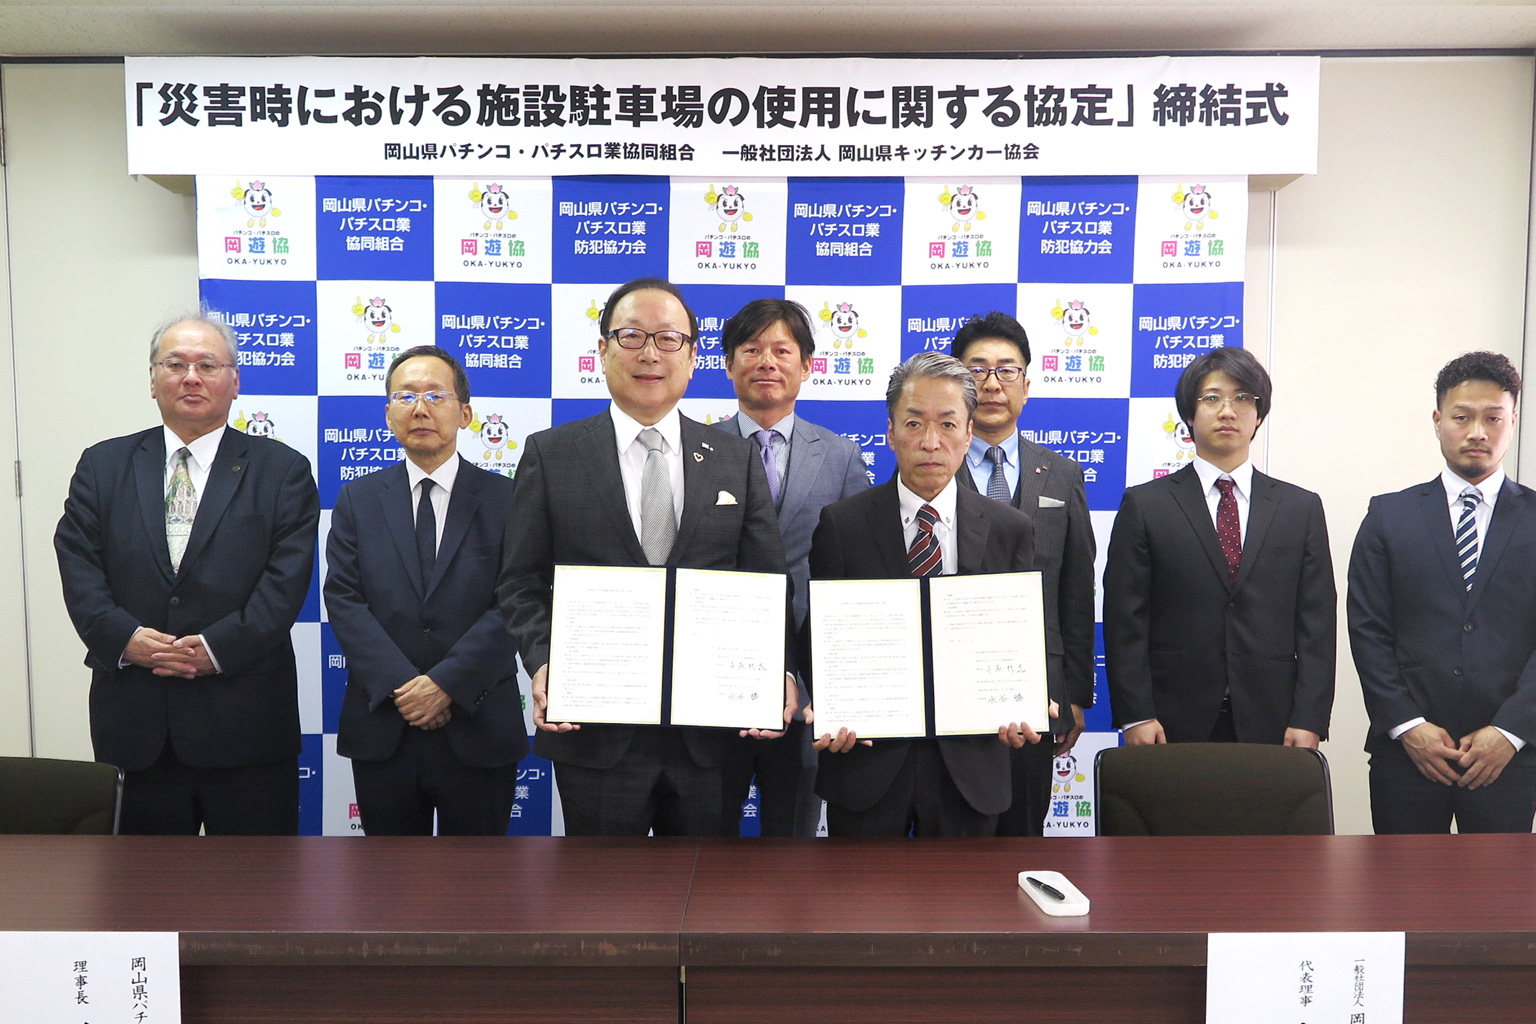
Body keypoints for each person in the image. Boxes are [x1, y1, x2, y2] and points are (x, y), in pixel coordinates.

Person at [497, 278, 793, 836]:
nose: (651, 354)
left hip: (711, 734)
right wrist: (543, 662)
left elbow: (769, 583)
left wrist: (778, 670)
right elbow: (520, 582)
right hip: (596, 731)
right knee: (602, 888)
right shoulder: (552, 454)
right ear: (602, 350)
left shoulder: (735, 458)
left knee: (707, 884)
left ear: (693, 357)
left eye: (668, 338)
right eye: (631, 336)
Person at [54, 314, 320, 834]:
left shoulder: (282, 470)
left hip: (247, 724)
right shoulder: (103, 465)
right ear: (153, 380)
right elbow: (78, 564)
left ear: (235, 380)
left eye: (208, 365)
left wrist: (216, 649)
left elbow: (285, 584)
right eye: (175, 365)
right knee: (142, 883)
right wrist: (125, 638)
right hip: (136, 725)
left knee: (254, 882)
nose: (191, 377)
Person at [807, 352, 1042, 837]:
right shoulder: (843, 525)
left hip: (970, 764)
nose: (931, 442)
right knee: (860, 888)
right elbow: (819, 637)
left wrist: (1027, 700)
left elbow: (1022, 639)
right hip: (866, 759)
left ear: (969, 433)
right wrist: (828, 705)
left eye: (947, 424)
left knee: (960, 889)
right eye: (914, 423)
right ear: (890, 433)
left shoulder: (1009, 529)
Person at [324, 345, 526, 835]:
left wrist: (445, 685)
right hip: (385, 723)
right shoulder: (358, 498)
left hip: (478, 722)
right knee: (389, 878)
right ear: (388, 413)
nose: (420, 409)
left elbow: (516, 600)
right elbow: (344, 600)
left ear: (466, 413)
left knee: (477, 878)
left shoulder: (508, 498)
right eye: (405, 396)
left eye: (436, 395)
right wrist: (405, 686)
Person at [1103, 346, 1335, 747]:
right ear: (1190, 415)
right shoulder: (1145, 505)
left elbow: (1317, 623)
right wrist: (1136, 713)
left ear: (1258, 415)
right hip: (1170, 720)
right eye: (1212, 398)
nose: (1227, 411)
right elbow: (1126, 619)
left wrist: (1309, 718)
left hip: (1275, 720)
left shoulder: (1300, 508)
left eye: (1242, 398)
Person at [1348, 351, 1536, 834]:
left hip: (1509, 756)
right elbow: (1368, 630)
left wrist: (1511, 731)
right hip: (1407, 755)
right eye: (1462, 417)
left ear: (1513, 421)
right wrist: (1407, 725)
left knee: (1497, 885)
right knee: (1401, 881)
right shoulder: (1388, 516)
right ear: (1437, 421)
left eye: (1493, 418)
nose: (1478, 432)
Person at [715, 297, 868, 837]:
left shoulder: (842, 456)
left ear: (807, 366)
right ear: (728, 364)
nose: (766, 362)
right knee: (705, 842)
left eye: (782, 351)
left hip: (808, 681)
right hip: (717, 674)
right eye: (751, 349)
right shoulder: (694, 450)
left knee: (795, 841)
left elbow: (857, 576)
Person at [949, 311, 1095, 836]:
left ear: (1026, 385)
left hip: (1040, 692)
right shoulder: (932, 467)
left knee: (1023, 835)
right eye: (977, 370)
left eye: (1007, 370)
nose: (992, 384)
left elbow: (1076, 590)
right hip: (952, 688)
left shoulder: (1062, 473)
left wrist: (1075, 692)